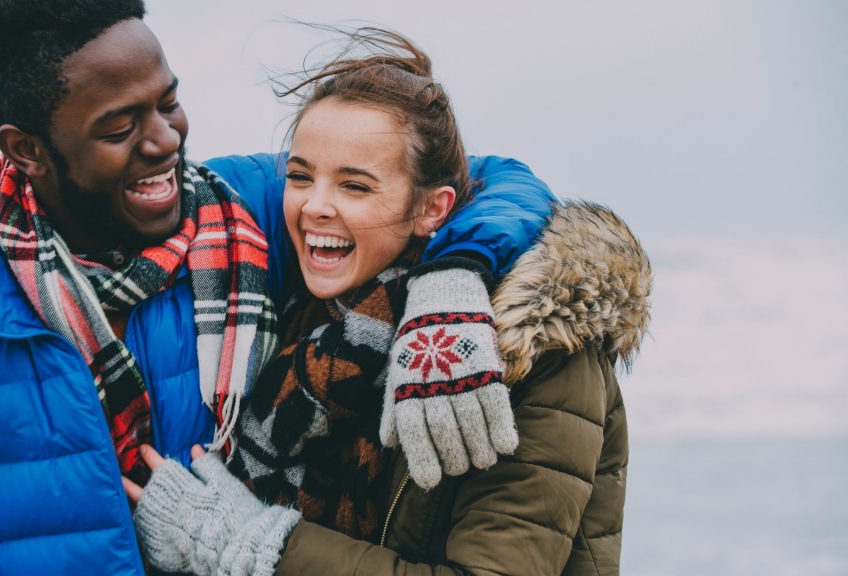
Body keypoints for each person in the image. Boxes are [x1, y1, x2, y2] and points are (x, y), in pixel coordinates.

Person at [0, 3, 556, 575]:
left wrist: (452, 278)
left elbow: (478, 180)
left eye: (169, 102)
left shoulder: (251, 204)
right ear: (27, 151)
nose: (165, 141)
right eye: (121, 126)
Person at [124, 29, 652, 576]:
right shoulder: (290, 305)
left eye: (355, 186)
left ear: (432, 209)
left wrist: (250, 541)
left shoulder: (536, 352)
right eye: (301, 177)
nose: (314, 207)